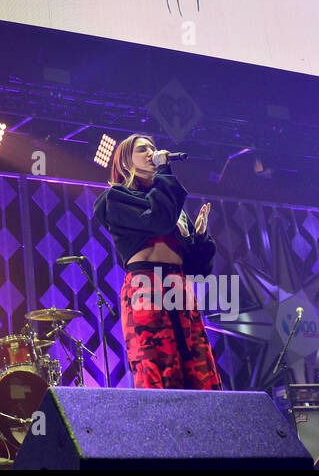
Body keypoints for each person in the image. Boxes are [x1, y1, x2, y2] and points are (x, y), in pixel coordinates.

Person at [93, 134, 222, 390]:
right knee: (158, 368)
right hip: (146, 286)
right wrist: (164, 171)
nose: (152, 152)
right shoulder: (115, 199)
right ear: (125, 163)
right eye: (142, 150)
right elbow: (156, 221)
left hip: (179, 288)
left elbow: (198, 270)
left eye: (153, 148)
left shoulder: (172, 207)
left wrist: (200, 238)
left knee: (197, 369)